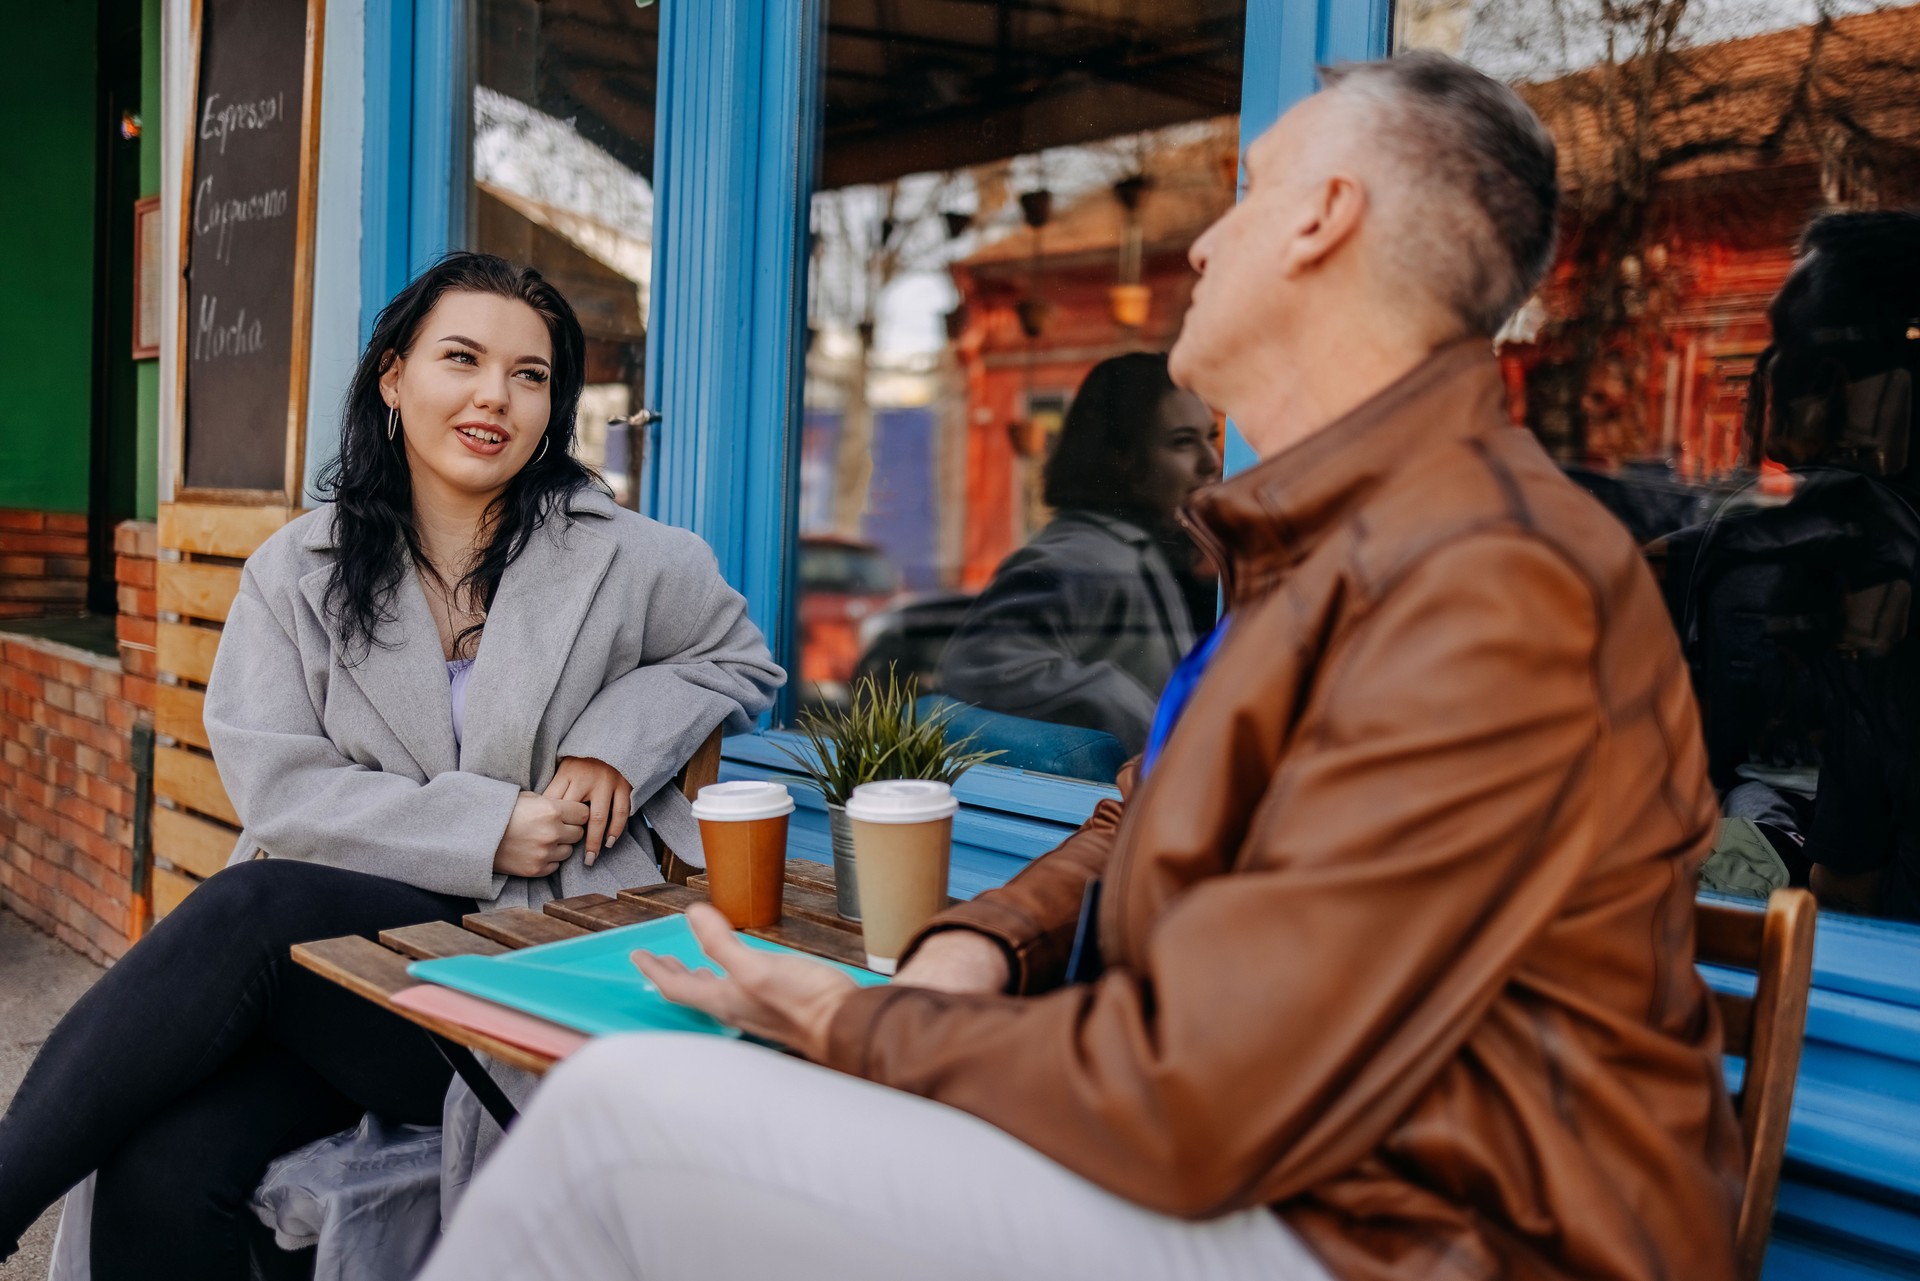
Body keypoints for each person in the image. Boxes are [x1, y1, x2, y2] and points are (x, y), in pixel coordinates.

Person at [422, 54, 1743, 1281]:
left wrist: (851, 1021)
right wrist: (978, 947)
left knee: (613, 1119)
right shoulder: (1346, 541)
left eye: (1246, 194)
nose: (1207, 240)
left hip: (1414, 1241)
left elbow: (1199, 1101)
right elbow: (1141, 813)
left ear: (1322, 219)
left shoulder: (1485, 579)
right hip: (1304, 1185)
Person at [0, 252, 783, 1279]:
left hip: (520, 973)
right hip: (346, 990)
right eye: (461, 358)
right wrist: (487, 824)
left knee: (253, 905)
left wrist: (615, 741)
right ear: (394, 377)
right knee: (165, 1161)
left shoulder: (636, 560)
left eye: (531, 375)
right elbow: (280, 785)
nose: (493, 396)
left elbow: (737, 658)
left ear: (557, 406)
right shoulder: (298, 569)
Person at [1657, 210, 1920, 918]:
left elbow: (1846, 897)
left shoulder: (1867, 555)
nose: (1763, 370)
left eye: (1786, 342)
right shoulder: (1798, 532)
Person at [937, 353, 1221, 753]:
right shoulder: (1085, 557)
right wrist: (1147, 724)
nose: (1212, 461)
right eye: (1182, 443)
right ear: (1123, 459)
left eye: (1211, 437)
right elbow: (977, 662)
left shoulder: (1140, 549)